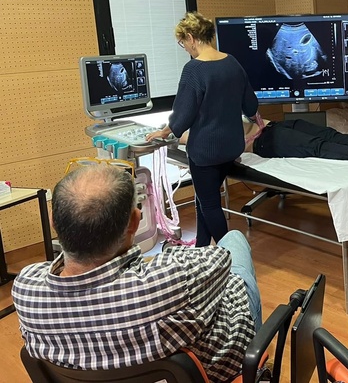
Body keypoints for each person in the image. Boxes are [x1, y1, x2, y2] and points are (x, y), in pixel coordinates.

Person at [12, 164, 261, 383]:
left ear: (54, 221)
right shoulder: (173, 278)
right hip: (220, 364)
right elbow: (221, 260)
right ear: (135, 221)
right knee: (234, 240)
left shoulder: (25, 290)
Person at [146, 11, 258, 247]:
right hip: (231, 147)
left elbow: (182, 115)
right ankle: (201, 247)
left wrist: (165, 132)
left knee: (209, 204)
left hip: (206, 151)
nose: (185, 48)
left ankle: (230, 254)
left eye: (182, 43)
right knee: (204, 197)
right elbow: (251, 105)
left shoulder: (194, 70)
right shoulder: (233, 63)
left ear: (191, 37)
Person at [244, 110, 348, 162]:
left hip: (273, 125)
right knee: (316, 146)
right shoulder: (221, 116)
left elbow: (251, 106)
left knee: (329, 134)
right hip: (262, 142)